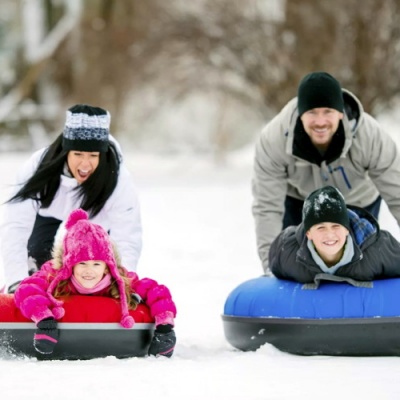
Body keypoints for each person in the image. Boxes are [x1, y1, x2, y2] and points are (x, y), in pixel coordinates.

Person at [252, 71, 400, 273]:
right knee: (296, 262)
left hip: (358, 200)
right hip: (300, 201)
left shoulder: (370, 136)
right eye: (312, 112)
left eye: (328, 111)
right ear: (300, 113)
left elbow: (398, 194)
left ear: (340, 113)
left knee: (359, 262)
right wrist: (271, 267)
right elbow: (267, 207)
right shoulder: (274, 139)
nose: (320, 121)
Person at [0, 104, 142, 292]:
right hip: (48, 212)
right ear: (66, 151)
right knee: (37, 258)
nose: (85, 164)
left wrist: (123, 281)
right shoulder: (38, 166)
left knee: (94, 266)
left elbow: (127, 235)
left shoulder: (117, 177)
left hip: (96, 219)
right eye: (77, 154)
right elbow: (16, 226)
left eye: (93, 155)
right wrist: (15, 281)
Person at [14, 208, 177, 357]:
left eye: (96, 264)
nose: (89, 271)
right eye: (82, 263)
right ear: (70, 265)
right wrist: (44, 319)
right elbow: (27, 289)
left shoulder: (120, 279)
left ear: (107, 267)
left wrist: (165, 328)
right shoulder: (54, 275)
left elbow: (157, 291)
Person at [269, 185, 400, 283]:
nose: (330, 234)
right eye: (321, 228)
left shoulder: (377, 248)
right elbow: (272, 271)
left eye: (336, 226)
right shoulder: (287, 251)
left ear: (347, 229)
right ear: (308, 233)